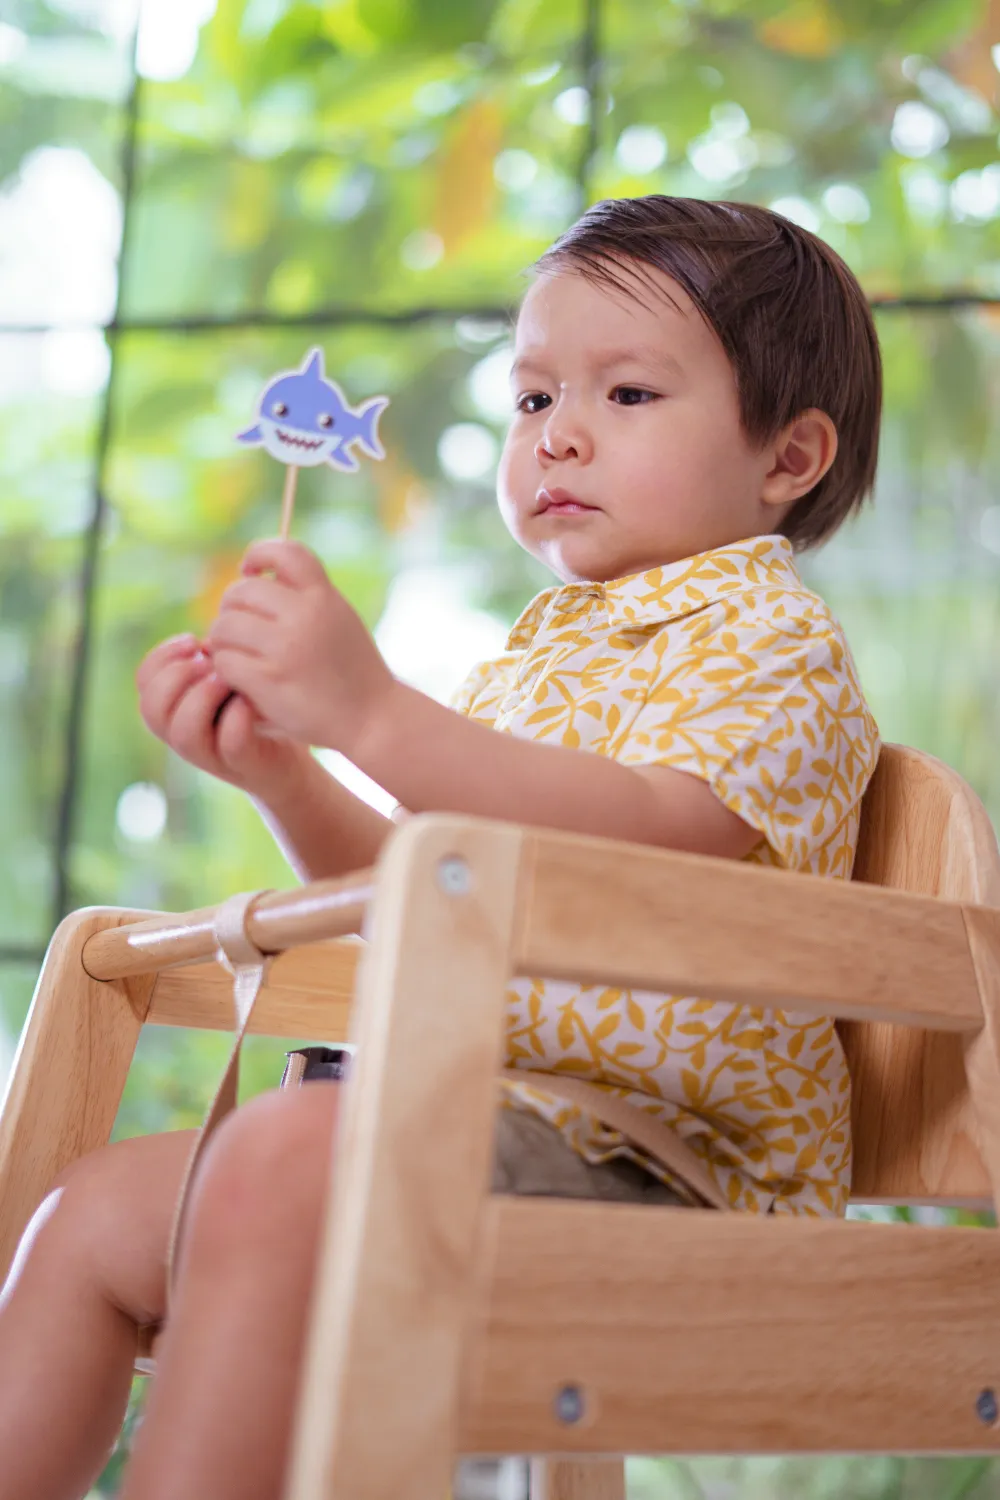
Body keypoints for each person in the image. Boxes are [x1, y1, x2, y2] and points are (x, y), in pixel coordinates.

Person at [0, 195, 882, 1500]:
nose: (559, 432)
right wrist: (286, 772)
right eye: (533, 400)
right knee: (90, 1219)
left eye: (629, 394)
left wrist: (371, 711)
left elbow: (646, 835)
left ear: (790, 457)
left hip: (655, 1161)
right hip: (461, 1121)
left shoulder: (769, 642)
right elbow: (419, 886)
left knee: (292, 1158)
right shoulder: (541, 655)